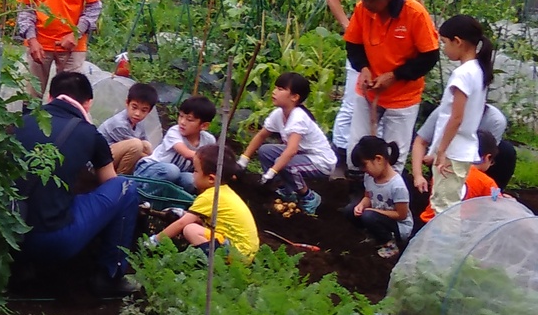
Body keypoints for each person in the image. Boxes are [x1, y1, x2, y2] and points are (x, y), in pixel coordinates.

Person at [15, 71, 141, 296]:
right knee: (125, 189)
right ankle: (110, 276)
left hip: (9, 234)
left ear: (50, 97)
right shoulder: (89, 134)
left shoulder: (20, 122)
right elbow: (109, 184)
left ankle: (21, 267)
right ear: (88, 103)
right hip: (54, 241)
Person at [326, 0, 425, 170]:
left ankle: (386, 185)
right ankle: (346, 163)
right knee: (353, 111)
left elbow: (426, 51)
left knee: (393, 142)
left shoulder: (411, 0)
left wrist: (395, 74)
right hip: (369, 72)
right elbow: (335, 2)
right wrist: (351, 32)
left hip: (400, 87)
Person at [341, 0, 440, 173]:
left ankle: (389, 197)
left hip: (402, 95)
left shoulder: (415, 14)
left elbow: (429, 57)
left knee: (394, 154)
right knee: (357, 150)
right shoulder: (362, 10)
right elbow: (353, 45)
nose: (364, 3)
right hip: (368, 91)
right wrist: (364, 69)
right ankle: (359, 192)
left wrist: (394, 75)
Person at [237, 73, 336, 215]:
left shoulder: (298, 117)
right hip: (303, 156)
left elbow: (291, 151)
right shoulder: (278, 114)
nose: (274, 91)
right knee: (266, 150)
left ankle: (309, 197)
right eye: (276, 88)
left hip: (321, 161)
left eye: (280, 89)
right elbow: (261, 136)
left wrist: (270, 173)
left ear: (294, 97)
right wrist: (243, 160)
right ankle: (286, 190)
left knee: (285, 163)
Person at [424, 15, 492, 216]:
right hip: (460, 148)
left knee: (444, 208)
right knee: (446, 204)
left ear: (458, 41)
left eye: (445, 43)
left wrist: (442, 151)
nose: (444, 49)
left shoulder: (463, 74)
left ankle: (447, 247)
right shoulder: (478, 70)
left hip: (453, 151)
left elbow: (456, 118)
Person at [150, 144, 260, 261]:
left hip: (236, 252)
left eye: (196, 171)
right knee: (196, 224)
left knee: (190, 229)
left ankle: (212, 263)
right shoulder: (225, 191)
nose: (193, 174)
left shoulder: (211, 196)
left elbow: (181, 224)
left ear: (211, 179)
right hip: (246, 252)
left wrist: (155, 240)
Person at [412, 103, 513, 190]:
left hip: (475, 156)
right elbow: (420, 142)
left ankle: (493, 193)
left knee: (506, 151)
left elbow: (487, 150)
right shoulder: (443, 112)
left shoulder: (495, 120)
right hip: (443, 156)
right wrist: (418, 176)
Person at [345, 136, 413, 259]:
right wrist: (361, 205)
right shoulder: (369, 177)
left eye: (365, 165)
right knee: (350, 210)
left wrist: (374, 211)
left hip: (398, 227)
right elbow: (368, 196)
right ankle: (372, 235)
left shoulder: (397, 185)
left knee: (369, 216)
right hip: (378, 218)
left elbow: (401, 215)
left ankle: (390, 244)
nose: (364, 170)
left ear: (378, 159)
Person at [132, 96, 217, 193]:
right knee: (172, 171)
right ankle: (144, 196)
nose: (182, 122)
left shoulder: (208, 140)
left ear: (204, 125)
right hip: (149, 169)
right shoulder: (174, 132)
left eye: (189, 120)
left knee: (192, 180)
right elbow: (186, 153)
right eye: (181, 116)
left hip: (175, 176)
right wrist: (210, 159)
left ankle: (172, 202)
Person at [417, 131, 502, 226]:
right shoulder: (487, 183)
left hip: (426, 223)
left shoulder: (445, 169)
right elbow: (498, 207)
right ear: (487, 157)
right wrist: (508, 201)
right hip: (455, 228)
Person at [97, 82, 158, 175]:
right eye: (134, 107)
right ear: (127, 103)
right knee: (136, 145)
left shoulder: (139, 122)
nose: (137, 113)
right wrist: (152, 160)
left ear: (149, 111)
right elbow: (136, 151)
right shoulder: (119, 123)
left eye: (143, 110)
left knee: (146, 145)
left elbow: (145, 145)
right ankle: (119, 180)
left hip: (113, 158)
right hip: (98, 161)